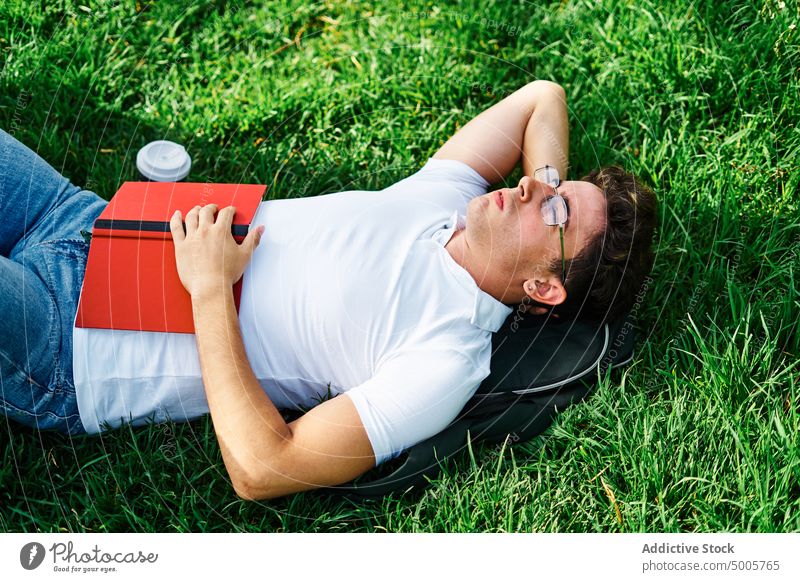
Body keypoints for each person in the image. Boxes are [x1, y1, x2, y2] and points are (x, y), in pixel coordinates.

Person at [0, 81, 656, 500]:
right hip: (82, 218)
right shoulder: (446, 200)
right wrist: (551, 182)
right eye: (546, 182)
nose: (529, 188)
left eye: (556, 214)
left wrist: (208, 289)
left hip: (68, 346)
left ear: (544, 286)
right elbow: (541, 96)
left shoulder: (444, 357)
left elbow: (263, 468)